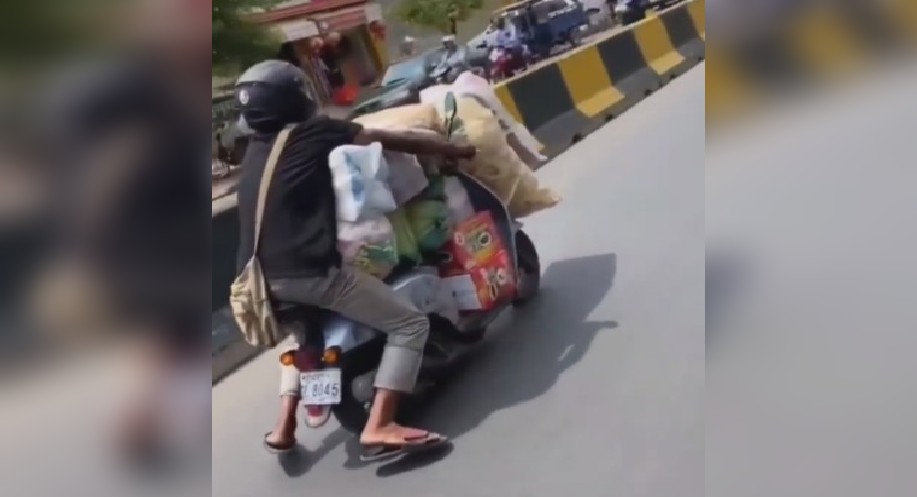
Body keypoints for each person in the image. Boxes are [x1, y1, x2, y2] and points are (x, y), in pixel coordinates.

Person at [232, 60, 476, 459]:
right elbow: (389, 139)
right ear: (296, 97)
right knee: (409, 323)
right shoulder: (312, 133)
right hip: (309, 273)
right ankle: (381, 422)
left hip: (260, 283)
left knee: (307, 336)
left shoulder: (256, 152)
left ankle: (284, 426)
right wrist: (452, 148)